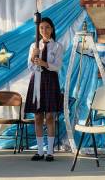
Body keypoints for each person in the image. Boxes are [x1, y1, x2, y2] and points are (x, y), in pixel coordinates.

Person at [24, 17, 64, 162]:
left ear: (52, 29)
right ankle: (40, 151)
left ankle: (50, 151)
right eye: (41, 28)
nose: (44, 30)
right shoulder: (34, 46)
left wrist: (44, 63)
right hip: (37, 81)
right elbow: (30, 67)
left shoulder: (57, 46)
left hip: (51, 81)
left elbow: (57, 66)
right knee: (38, 116)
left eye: (47, 27)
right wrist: (34, 56)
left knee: (49, 117)